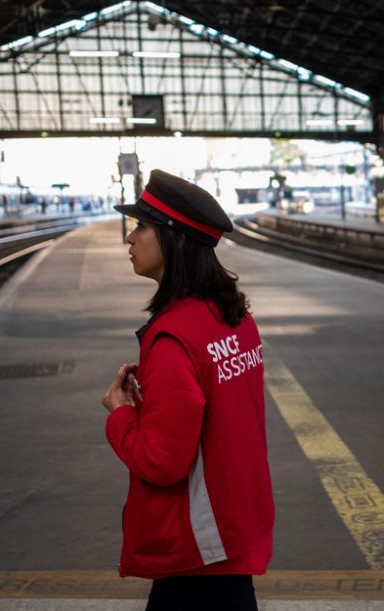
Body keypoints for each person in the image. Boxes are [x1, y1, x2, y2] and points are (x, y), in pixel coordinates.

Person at [102, 169, 274, 611]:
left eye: (141, 226)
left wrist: (120, 412)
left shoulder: (173, 336)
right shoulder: (233, 316)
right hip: (233, 522)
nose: (130, 237)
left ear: (175, 240)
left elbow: (162, 463)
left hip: (200, 543)